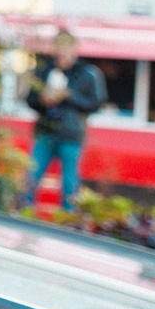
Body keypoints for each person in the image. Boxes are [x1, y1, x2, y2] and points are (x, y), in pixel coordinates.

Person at [22, 30, 104, 209]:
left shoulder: (87, 73)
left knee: (69, 183)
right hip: (45, 131)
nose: (61, 51)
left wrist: (68, 96)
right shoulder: (44, 70)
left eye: (66, 46)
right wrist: (42, 100)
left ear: (74, 48)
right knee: (31, 176)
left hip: (71, 133)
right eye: (58, 46)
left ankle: (68, 221)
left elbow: (96, 103)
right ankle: (23, 213)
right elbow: (30, 99)